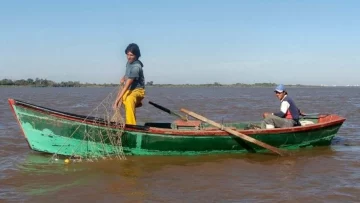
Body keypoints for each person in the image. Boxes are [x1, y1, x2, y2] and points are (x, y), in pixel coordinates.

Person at [113, 43, 145, 125]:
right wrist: (123, 77)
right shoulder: (129, 63)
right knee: (124, 97)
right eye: (127, 55)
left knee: (128, 99)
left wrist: (116, 100)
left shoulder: (136, 67)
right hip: (131, 89)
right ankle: (136, 104)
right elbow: (128, 74)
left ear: (136, 56)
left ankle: (131, 126)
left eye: (131, 55)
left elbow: (126, 86)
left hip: (138, 91)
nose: (129, 57)